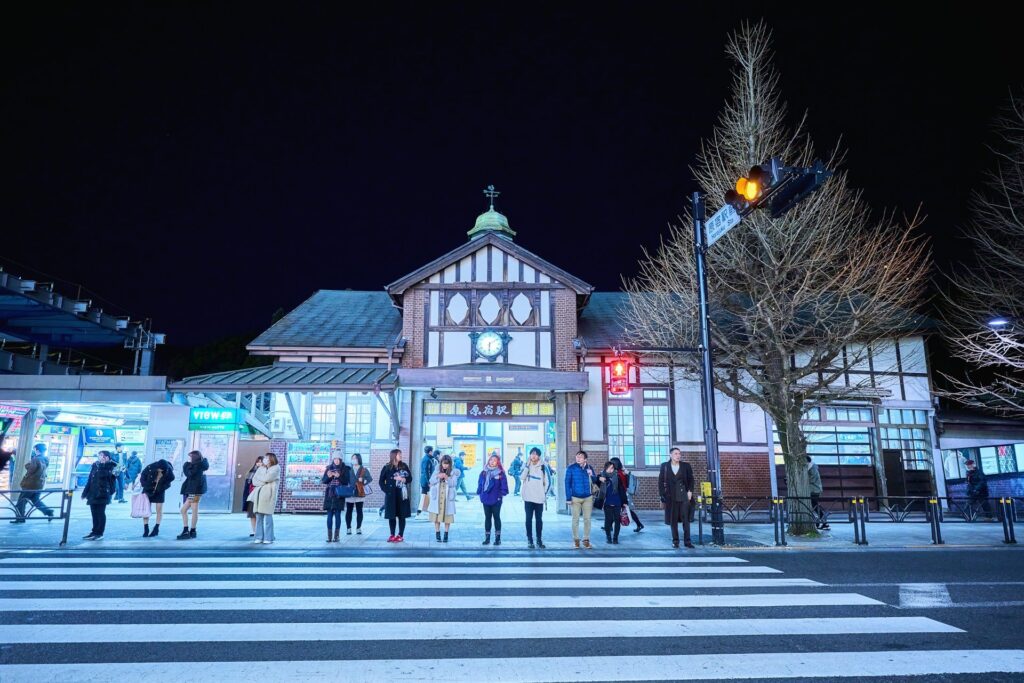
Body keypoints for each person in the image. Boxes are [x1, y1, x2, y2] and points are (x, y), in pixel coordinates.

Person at [659, 447, 695, 549]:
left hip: (684, 497)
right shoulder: (665, 466)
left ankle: (687, 542)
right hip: (671, 498)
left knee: (686, 520)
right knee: (673, 521)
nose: (678, 455)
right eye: (675, 453)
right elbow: (660, 482)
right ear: (670, 455)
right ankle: (675, 541)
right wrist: (662, 495)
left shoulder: (686, 466)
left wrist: (690, 491)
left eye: (679, 453)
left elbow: (691, 479)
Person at [11, 443, 54, 523]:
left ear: (37, 450)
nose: (34, 451)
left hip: (30, 485)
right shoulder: (45, 459)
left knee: (21, 501)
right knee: (36, 501)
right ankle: (48, 511)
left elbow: (30, 470)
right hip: (39, 485)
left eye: (34, 449)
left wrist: (28, 464)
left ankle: (20, 518)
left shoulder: (36, 459)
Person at [564, 450, 597, 549]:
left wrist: (592, 475)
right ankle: (576, 540)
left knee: (587, 519)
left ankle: (586, 540)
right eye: (577, 456)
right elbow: (567, 483)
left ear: (585, 459)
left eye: (581, 457)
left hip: (588, 497)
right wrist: (568, 498)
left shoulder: (589, 468)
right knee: (575, 519)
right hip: (575, 498)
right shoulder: (571, 468)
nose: (578, 458)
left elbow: (595, 481)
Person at [82, 450, 117, 540]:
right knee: (94, 513)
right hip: (93, 493)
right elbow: (90, 479)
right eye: (99, 455)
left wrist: (103, 465)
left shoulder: (112, 466)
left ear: (107, 457)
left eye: (103, 455)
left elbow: (107, 477)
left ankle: (100, 533)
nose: (101, 457)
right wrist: (85, 492)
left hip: (103, 493)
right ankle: (94, 531)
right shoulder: (95, 465)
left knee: (100, 513)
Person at [380, 448, 412, 542]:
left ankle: (400, 535)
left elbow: (410, 478)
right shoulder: (387, 467)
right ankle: (392, 534)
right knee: (392, 515)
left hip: (402, 494)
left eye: (401, 454)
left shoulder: (404, 466)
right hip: (391, 495)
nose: (401, 456)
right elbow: (381, 481)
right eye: (399, 454)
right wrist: (387, 490)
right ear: (394, 455)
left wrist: (403, 479)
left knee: (402, 515)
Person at [477, 453, 509, 545]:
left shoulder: (500, 473)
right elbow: (480, 484)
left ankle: (497, 539)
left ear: (497, 462)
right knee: (487, 518)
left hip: (496, 499)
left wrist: (500, 495)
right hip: (486, 498)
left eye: (494, 460)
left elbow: (504, 486)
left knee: (496, 517)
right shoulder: (483, 472)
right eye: (491, 460)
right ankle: (487, 538)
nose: (492, 462)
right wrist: (480, 494)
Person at [248, 453, 280, 544]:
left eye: (267, 458)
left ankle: (269, 537)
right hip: (259, 494)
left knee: (268, 516)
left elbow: (268, 478)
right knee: (259, 516)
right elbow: (254, 480)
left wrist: (261, 480)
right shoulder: (262, 468)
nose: (265, 459)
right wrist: (263, 481)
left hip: (269, 494)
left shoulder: (276, 468)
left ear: (271, 459)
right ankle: (259, 537)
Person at [139, 457, 175, 537]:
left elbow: (170, 481)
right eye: (159, 469)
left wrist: (162, 488)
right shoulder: (150, 467)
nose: (160, 471)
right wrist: (145, 485)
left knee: (159, 509)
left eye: (162, 470)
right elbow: (143, 475)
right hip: (148, 489)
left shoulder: (168, 470)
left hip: (160, 491)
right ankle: (146, 528)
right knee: (146, 509)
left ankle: (156, 528)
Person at [177, 450, 209, 540]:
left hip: (194, 492)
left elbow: (189, 474)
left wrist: (186, 466)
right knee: (185, 510)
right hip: (195, 491)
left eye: (190, 457)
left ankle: (189, 530)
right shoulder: (201, 465)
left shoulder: (196, 466)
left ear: (194, 457)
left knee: (190, 510)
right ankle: (190, 531)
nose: (189, 459)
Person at [428, 453, 459, 542]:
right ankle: (437, 533)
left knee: (447, 517)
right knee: (436, 516)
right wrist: (438, 477)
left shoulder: (453, 472)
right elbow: (431, 481)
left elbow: (454, 484)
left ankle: (446, 534)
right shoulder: (437, 471)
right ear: (441, 463)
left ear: (450, 464)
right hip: (437, 496)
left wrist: (447, 478)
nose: (445, 465)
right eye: (443, 463)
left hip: (447, 497)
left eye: (447, 463)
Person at [521, 446, 548, 549]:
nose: (533, 455)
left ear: (539, 456)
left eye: (535, 454)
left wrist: (543, 493)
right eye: (532, 453)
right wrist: (527, 466)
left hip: (539, 498)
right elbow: (522, 477)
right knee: (528, 519)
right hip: (528, 497)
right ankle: (530, 540)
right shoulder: (526, 465)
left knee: (539, 520)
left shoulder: (543, 466)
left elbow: (548, 483)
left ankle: (539, 539)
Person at [609, 457, 644, 532]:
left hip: (622, 494)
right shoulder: (622, 471)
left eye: (611, 463)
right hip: (624, 493)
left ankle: (639, 524)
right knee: (625, 510)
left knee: (621, 510)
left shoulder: (618, 473)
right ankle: (639, 524)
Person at [322, 455, 352, 542]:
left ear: (341, 459)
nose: (336, 460)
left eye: (338, 459)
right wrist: (329, 476)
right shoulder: (328, 468)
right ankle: (329, 536)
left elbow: (346, 481)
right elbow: (324, 481)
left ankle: (337, 536)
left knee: (338, 514)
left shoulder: (345, 469)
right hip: (329, 494)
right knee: (329, 515)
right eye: (335, 459)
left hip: (339, 494)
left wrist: (339, 476)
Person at [597, 461, 627, 544]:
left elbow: (622, 489)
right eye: (610, 467)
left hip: (617, 501)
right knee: (608, 520)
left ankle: (615, 538)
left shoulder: (617, 476)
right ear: (606, 468)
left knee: (617, 520)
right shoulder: (601, 476)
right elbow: (594, 480)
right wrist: (599, 478)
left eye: (613, 468)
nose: (612, 469)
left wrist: (624, 501)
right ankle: (608, 537)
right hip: (607, 502)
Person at [346, 453, 373, 535]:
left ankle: (358, 528)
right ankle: (348, 528)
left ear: (359, 459)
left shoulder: (364, 469)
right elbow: (345, 480)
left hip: (360, 492)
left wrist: (363, 480)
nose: (353, 459)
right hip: (350, 493)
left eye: (355, 458)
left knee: (359, 511)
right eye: (352, 458)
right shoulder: (348, 469)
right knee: (349, 511)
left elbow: (370, 479)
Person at [243, 456, 265, 537]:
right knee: (252, 514)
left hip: (260, 495)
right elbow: (247, 486)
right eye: (258, 462)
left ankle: (260, 530)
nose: (259, 463)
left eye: (261, 462)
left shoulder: (266, 472)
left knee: (260, 514)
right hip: (251, 496)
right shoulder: (251, 472)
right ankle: (254, 531)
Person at [807, 459, 830, 530]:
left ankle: (823, 521)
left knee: (814, 505)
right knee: (814, 505)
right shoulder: (812, 467)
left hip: (814, 490)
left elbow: (812, 479)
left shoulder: (811, 468)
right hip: (815, 489)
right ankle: (822, 521)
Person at [417, 445, 438, 518]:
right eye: (432, 451)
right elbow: (426, 471)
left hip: (425, 480)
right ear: (430, 452)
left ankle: (421, 511)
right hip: (425, 481)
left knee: (425, 495)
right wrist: (429, 481)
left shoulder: (427, 458)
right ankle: (420, 511)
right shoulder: (427, 459)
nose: (433, 452)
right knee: (424, 495)